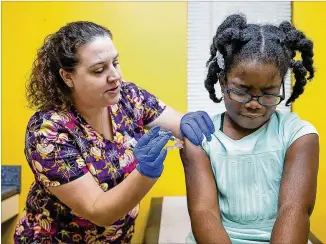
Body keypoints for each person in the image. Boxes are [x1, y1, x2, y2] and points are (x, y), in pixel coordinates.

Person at [14, 21, 215, 243]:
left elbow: (179, 126)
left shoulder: (128, 98)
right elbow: (99, 211)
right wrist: (146, 172)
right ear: (67, 77)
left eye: (115, 63)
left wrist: (191, 124)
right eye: (99, 70)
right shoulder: (48, 131)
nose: (115, 76)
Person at [180, 14, 319, 244]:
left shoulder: (299, 135)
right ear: (223, 82)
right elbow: (203, 213)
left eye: (269, 92)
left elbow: (294, 209)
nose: (254, 103)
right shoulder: (201, 137)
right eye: (242, 91)